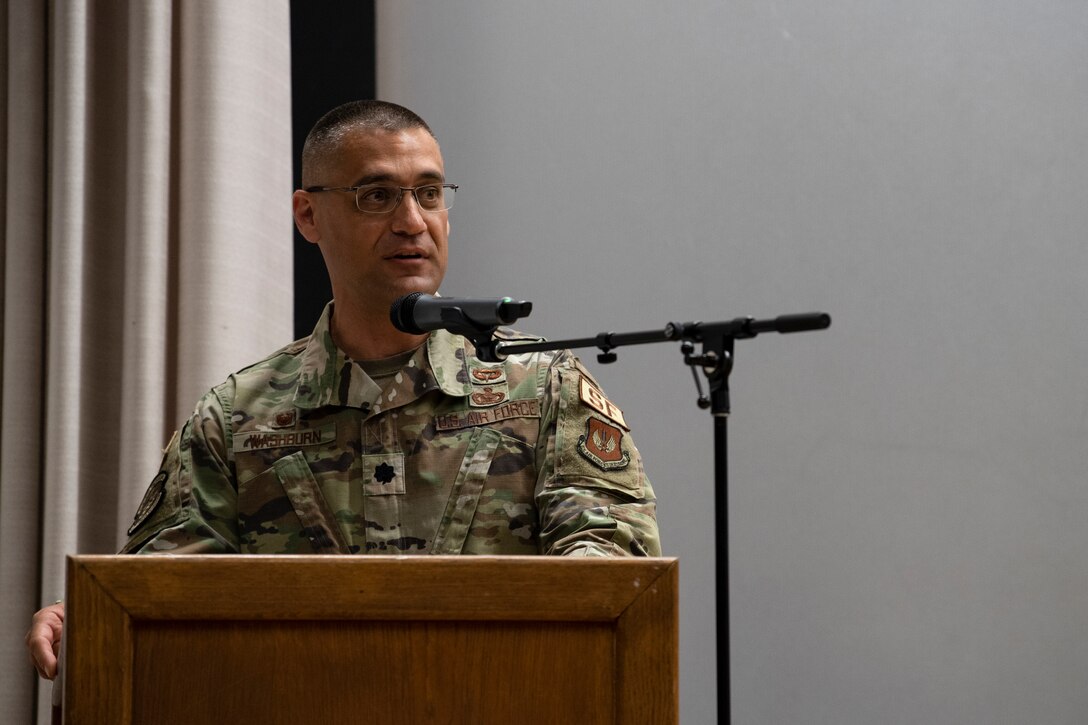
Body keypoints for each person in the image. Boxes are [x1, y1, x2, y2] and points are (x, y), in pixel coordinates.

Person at [27, 100, 660, 680]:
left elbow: (614, 569)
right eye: (377, 196)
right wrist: (92, 615)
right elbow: (168, 586)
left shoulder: (543, 388)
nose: (413, 222)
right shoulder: (240, 417)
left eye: (430, 194)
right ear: (308, 214)